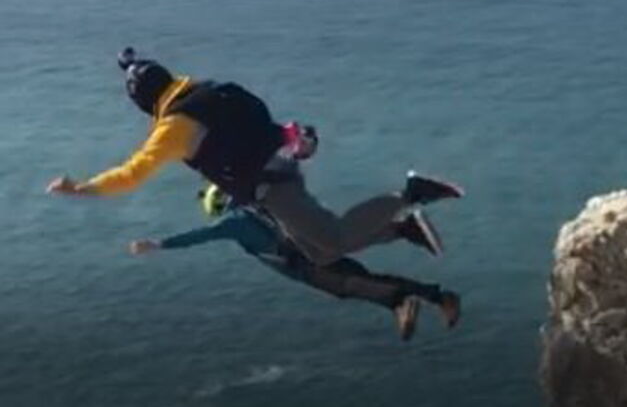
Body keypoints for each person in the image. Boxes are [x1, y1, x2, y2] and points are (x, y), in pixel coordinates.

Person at [46, 47, 464, 265]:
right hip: (281, 164)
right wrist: (129, 62)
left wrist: (83, 188)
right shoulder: (205, 87)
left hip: (270, 184)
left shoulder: (173, 127)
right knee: (319, 253)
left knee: (332, 237)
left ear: (143, 104)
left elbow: (132, 174)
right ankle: (403, 230)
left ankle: (409, 195)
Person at [130, 184, 461, 341]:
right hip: (311, 248)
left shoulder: (234, 223)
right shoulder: (259, 208)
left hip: (304, 265)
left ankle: (403, 301)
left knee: (350, 287)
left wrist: (158, 244)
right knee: (363, 278)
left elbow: (198, 236)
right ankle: (436, 295)